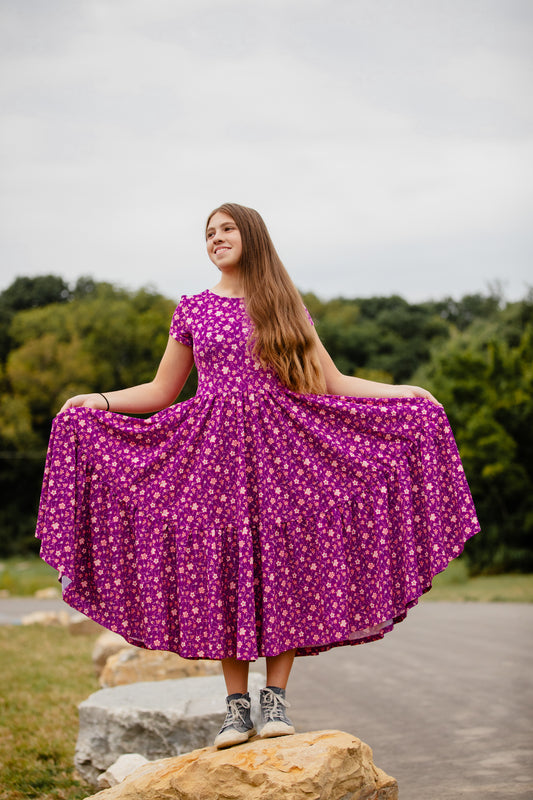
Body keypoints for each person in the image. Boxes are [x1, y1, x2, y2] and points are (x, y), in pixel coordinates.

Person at [36, 202, 479, 749]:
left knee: (281, 567)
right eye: (208, 233)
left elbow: (329, 380)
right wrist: (98, 402)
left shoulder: (283, 305)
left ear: (251, 236)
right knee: (222, 570)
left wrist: (402, 394)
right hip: (211, 457)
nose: (215, 239)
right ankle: (234, 709)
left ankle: (275, 702)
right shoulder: (193, 308)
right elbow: (160, 392)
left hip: (281, 454)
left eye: (226, 230)